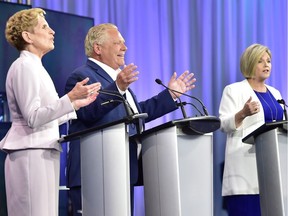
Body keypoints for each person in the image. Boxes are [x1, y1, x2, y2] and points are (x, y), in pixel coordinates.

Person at [64, 23, 196, 215]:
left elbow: (136, 114)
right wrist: (117, 88)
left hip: (122, 171)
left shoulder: (117, 79)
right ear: (98, 48)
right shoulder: (81, 76)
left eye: (124, 43)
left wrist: (170, 96)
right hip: (93, 174)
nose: (124, 48)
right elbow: (87, 112)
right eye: (118, 43)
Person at [0, 8, 101, 216]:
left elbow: (47, 115)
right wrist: (70, 99)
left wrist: (75, 105)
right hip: (29, 153)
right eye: (44, 27)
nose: (52, 31)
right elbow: (33, 117)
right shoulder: (24, 66)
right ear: (27, 36)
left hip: (42, 150)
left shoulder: (36, 66)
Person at [219, 43, 284, 216]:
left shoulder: (276, 93)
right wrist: (242, 113)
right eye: (260, 61)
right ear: (249, 64)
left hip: (274, 171)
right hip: (246, 173)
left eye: (268, 61)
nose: (266, 65)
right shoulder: (233, 90)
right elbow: (223, 124)